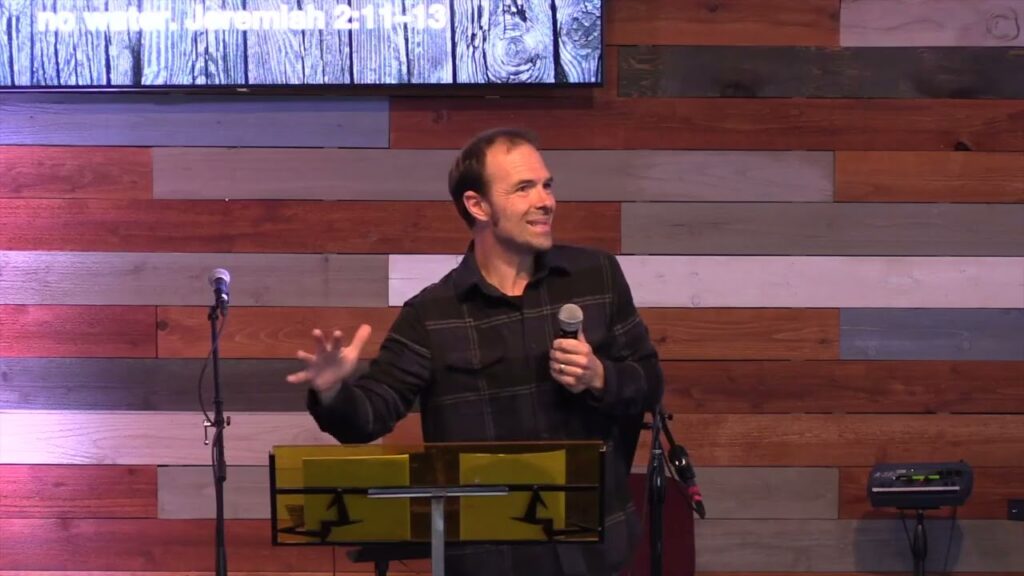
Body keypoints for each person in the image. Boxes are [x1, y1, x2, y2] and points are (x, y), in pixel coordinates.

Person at [287, 127, 664, 576]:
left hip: (594, 551)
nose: (545, 200)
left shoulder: (596, 276)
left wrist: (599, 377)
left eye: (546, 185)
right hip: (487, 558)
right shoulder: (431, 314)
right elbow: (370, 415)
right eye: (524, 188)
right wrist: (332, 391)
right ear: (477, 205)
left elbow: (649, 383)